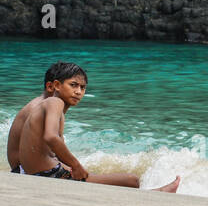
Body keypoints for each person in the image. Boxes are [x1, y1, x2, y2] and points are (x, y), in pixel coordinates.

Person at [7, 62, 180, 191]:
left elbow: (41, 147)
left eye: (83, 88)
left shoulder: (45, 104)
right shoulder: (53, 102)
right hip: (41, 175)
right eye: (73, 85)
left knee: (93, 175)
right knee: (131, 180)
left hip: (32, 172)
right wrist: (75, 165)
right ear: (56, 86)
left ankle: (152, 192)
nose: (79, 92)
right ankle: (157, 193)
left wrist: (69, 166)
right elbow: (51, 137)